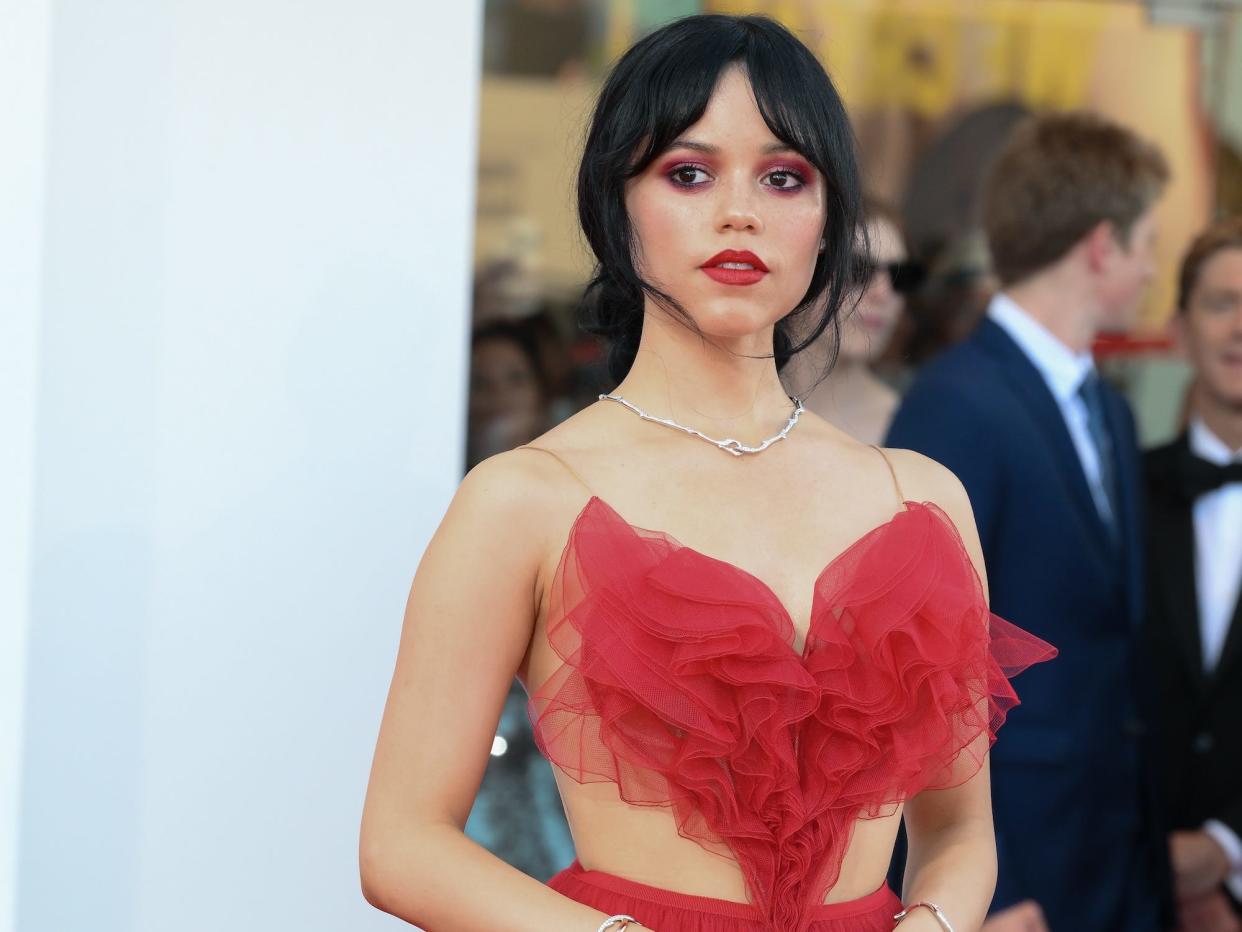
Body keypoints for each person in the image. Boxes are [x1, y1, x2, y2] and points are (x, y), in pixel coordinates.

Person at [360, 15, 1052, 932]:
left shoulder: (920, 499)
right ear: (618, 204)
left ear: (828, 220)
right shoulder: (525, 499)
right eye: (689, 173)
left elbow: (961, 832)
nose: (740, 212)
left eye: (784, 177)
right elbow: (401, 842)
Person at [886, 111, 1173, 931]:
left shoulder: (1107, 411)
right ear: (1100, 245)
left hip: (1117, 862)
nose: (1154, 267)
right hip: (1015, 872)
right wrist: (983, 894)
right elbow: (913, 670)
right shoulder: (954, 404)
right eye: (1147, 240)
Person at [1145, 217, 1242, 932]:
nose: (1241, 327)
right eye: (1220, 303)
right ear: (1179, 331)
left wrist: (1228, 845)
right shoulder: (1126, 490)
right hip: (1127, 885)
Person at [784, 201, 921, 445]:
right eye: (857, 268)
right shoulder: (721, 387)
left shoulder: (902, 425)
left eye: (901, 276)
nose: (883, 293)